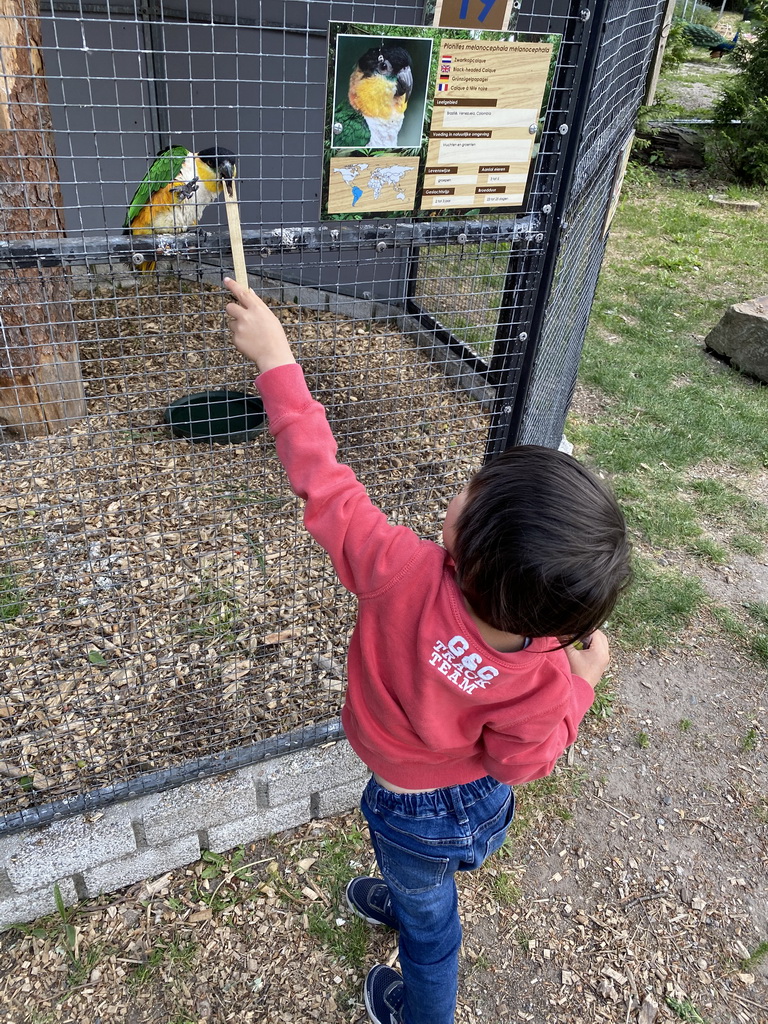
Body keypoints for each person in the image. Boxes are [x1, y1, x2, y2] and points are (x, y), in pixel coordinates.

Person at [223, 278, 632, 1024]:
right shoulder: (543, 671)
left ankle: (425, 1004)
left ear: (461, 542)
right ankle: (420, 876)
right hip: (474, 798)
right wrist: (581, 688)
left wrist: (277, 360)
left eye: (467, 494)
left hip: (407, 802)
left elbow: (323, 480)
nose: (459, 493)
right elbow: (522, 763)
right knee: (430, 868)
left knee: (429, 924)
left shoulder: (397, 570)